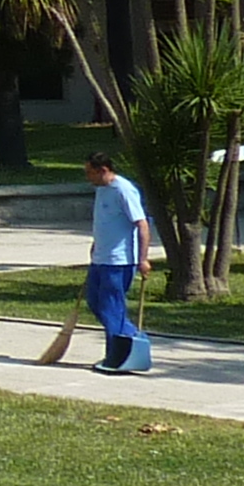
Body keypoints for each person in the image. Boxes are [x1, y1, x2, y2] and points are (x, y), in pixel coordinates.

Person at [85, 150, 153, 374]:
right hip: (100, 258)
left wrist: (143, 259)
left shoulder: (123, 189)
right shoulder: (101, 190)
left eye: (91, 173)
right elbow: (105, 222)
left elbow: (141, 225)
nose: (88, 178)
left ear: (103, 170)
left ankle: (117, 354)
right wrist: (96, 244)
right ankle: (130, 337)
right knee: (94, 301)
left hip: (119, 260)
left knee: (111, 306)